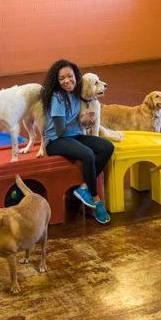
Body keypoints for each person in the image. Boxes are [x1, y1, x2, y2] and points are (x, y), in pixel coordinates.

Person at [40, 59, 115, 224]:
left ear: (76, 76)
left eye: (70, 76)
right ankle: (96, 200)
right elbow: (59, 131)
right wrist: (81, 120)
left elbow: (90, 99)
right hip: (55, 140)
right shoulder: (57, 98)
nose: (67, 81)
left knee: (107, 147)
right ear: (57, 82)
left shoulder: (75, 93)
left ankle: (84, 188)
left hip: (74, 135)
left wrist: (85, 119)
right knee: (87, 154)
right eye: (62, 79)